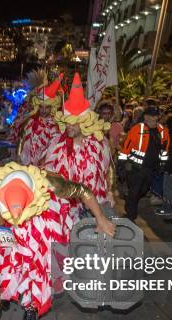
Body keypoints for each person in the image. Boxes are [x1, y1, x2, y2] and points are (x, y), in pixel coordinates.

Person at [0, 163, 115, 320]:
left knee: (36, 269)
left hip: (39, 231)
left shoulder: (51, 183)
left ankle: (31, 310)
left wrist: (101, 219)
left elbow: (83, 191)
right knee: (0, 261)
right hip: (6, 234)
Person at [44, 73, 114, 220]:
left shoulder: (100, 144)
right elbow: (49, 176)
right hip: (66, 210)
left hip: (95, 208)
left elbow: (108, 169)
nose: (69, 126)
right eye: (67, 122)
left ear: (84, 123)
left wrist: (109, 191)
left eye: (74, 122)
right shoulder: (57, 145)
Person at [120, 106, 170, 222]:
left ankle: (130, 202)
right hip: (135, 169)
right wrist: (122, 165)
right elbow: (126, 148)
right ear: (146, 116)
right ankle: (131, 214)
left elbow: (165, 150)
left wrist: (162, 164)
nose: (154, 117)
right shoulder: (137, 129)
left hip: (150, 169)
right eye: (152, 115)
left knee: (143, 191)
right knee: (134, 191)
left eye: (156, 115)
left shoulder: (163, 131)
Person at [16, 74, 63, 166]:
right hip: (27, 166)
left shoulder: (56, 127)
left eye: (47, 107)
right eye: (41, 107)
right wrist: (20, 162)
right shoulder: (30, 123)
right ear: (37, 106)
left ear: (53, 107)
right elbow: (21, 143)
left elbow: (55, 151)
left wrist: (43, 162)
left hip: (45, 170)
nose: (44, 110)